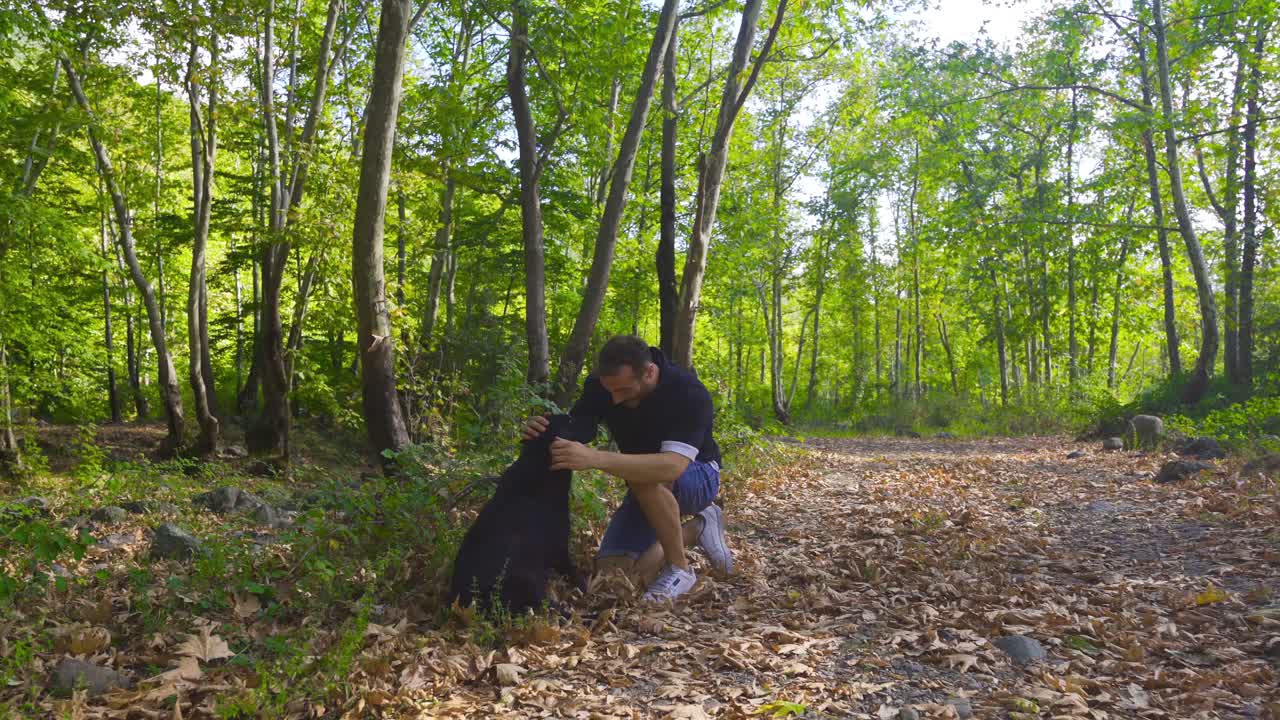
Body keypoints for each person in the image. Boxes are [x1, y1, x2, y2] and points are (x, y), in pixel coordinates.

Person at [521, 335, 732, 603]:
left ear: (650, 372)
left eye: (623, 391)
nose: (615, 400)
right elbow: (583, 426)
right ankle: (698, 527)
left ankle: (680, 570)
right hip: (643, 485)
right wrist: (546, 429)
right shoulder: (604, 386)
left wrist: (596, 459)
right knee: (615, 577)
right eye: (610, 391)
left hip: (698, 476)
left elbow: (671, 467)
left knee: (646, 478)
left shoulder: (688, 392)